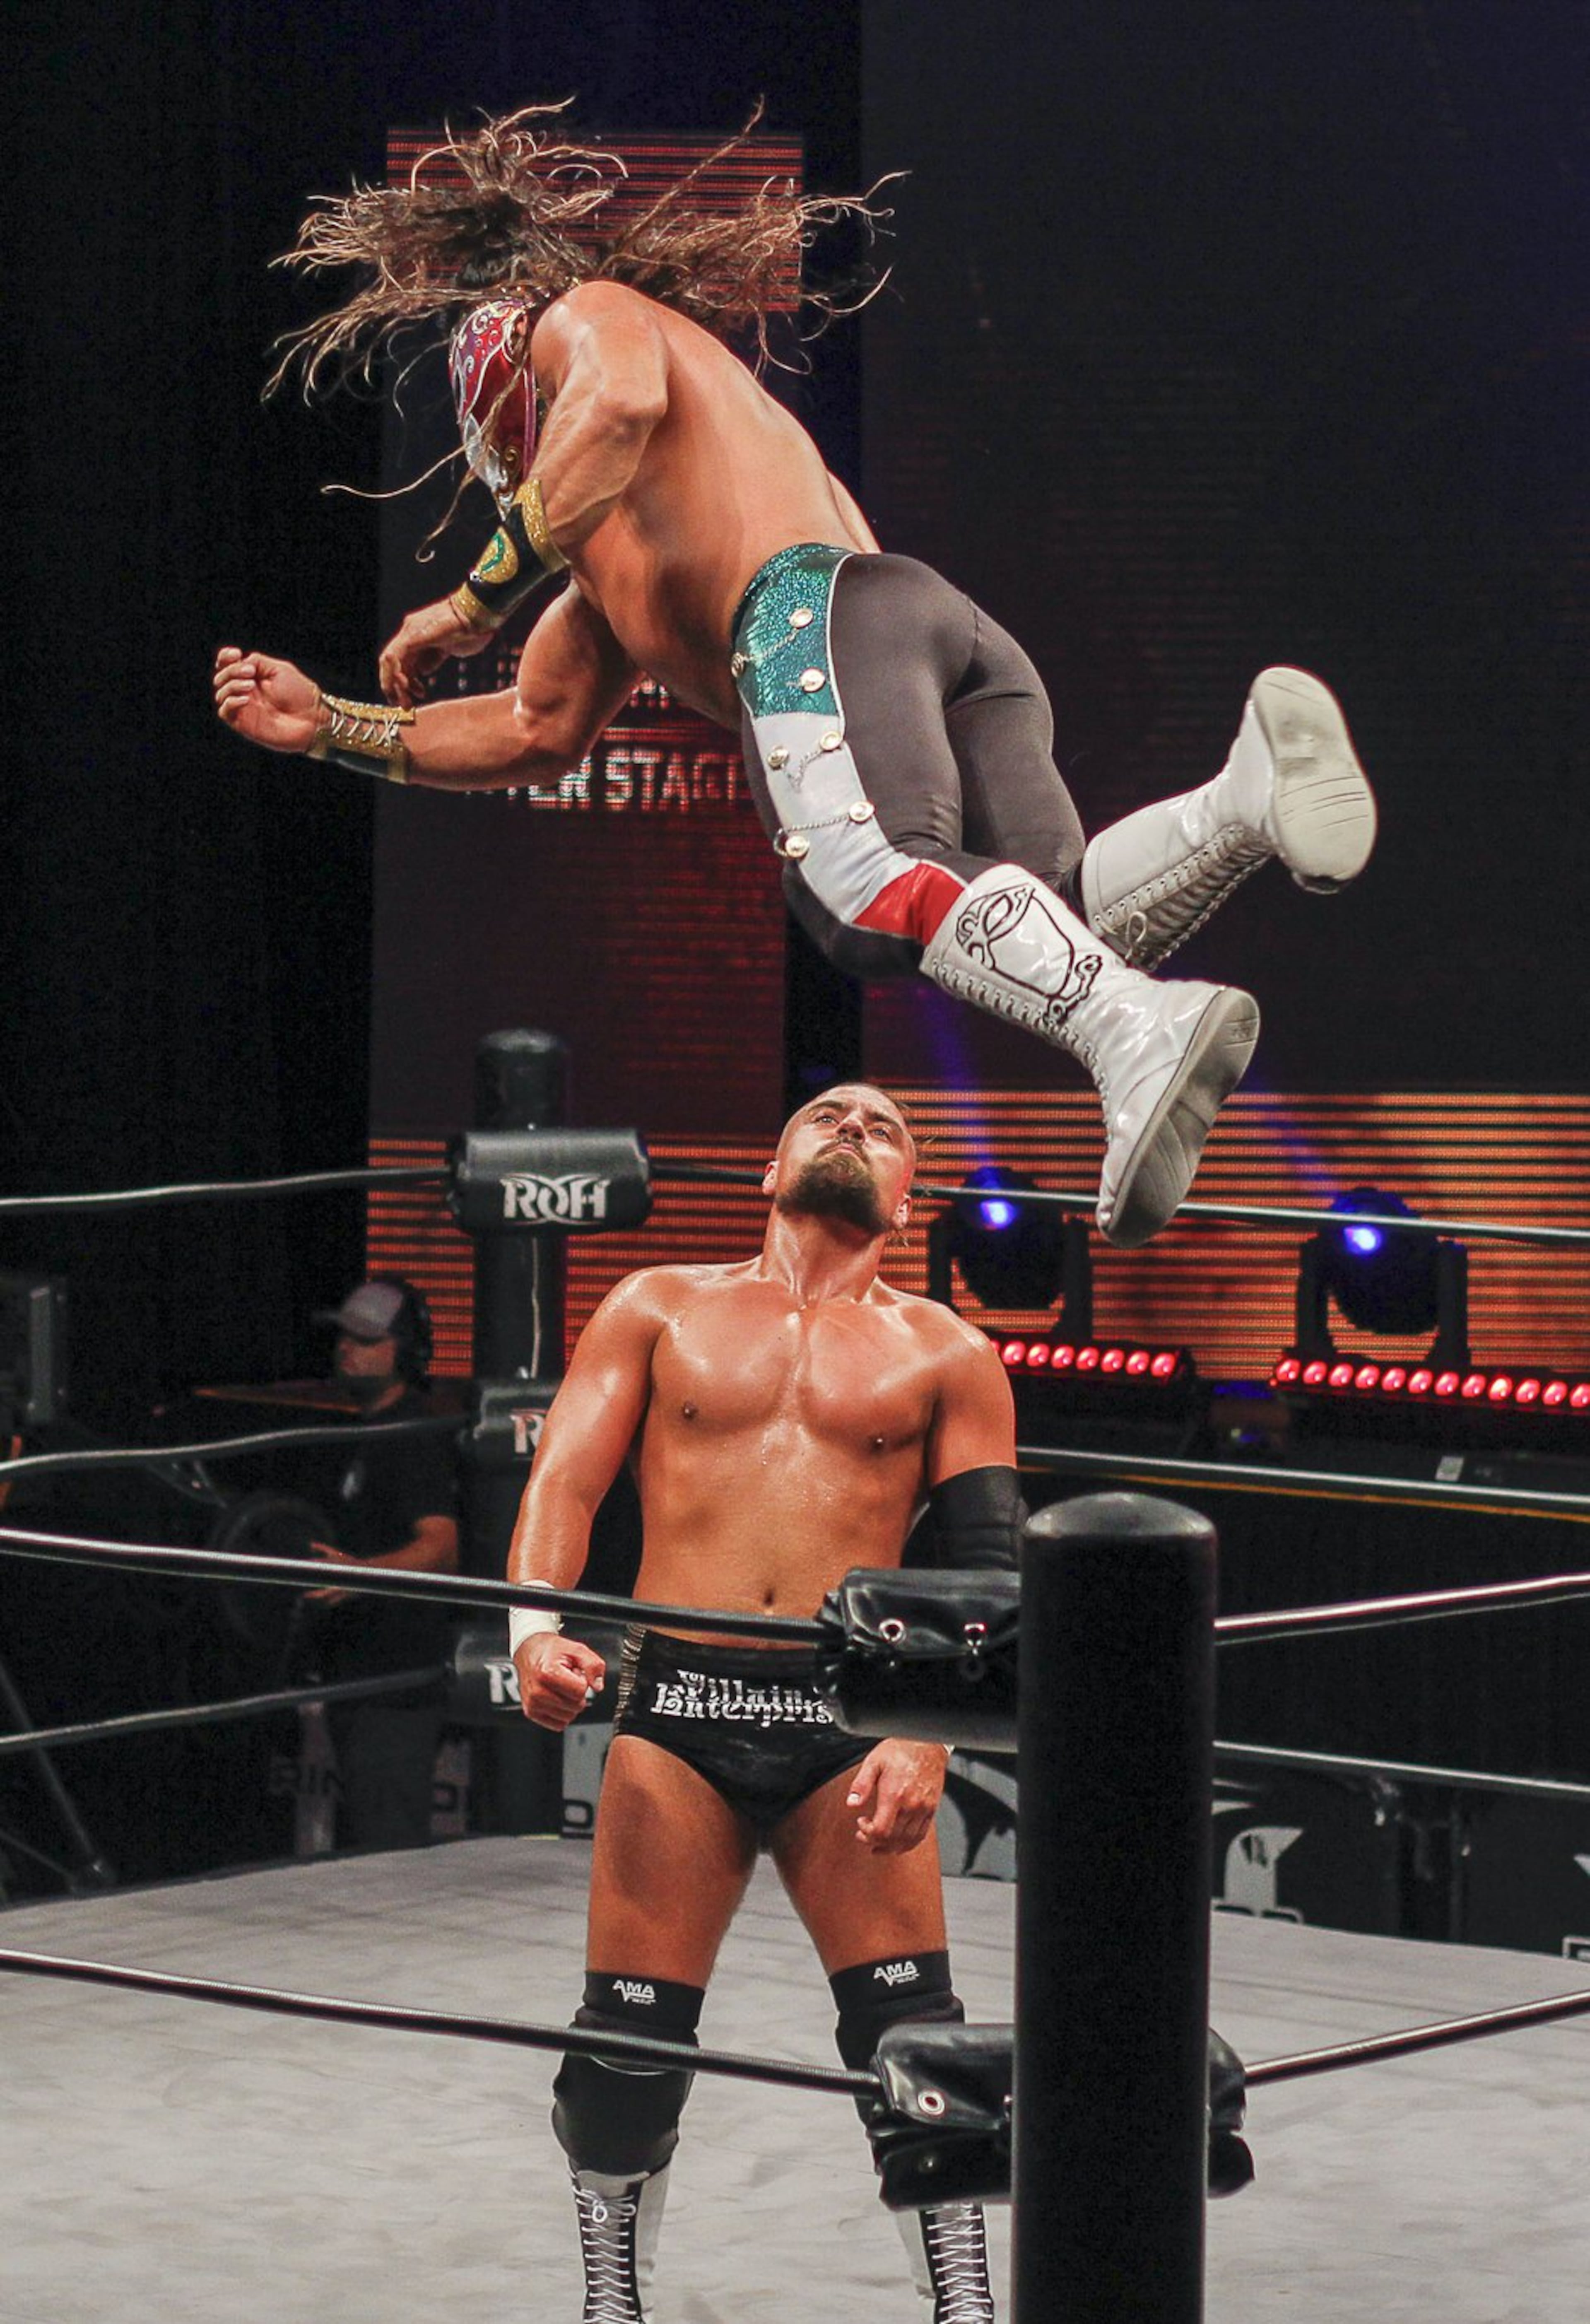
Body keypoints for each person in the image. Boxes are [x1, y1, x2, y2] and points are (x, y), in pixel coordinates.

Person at [212, 108, 1376, 1252]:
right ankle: (1240, 806)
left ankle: (1134, 1028)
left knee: (871, 896)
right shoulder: (610, 568)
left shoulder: (591, 321)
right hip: (936, 633)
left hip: (812, 612)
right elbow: (537, 729)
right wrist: (333, 728)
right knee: (1042, 913)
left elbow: (614, 406)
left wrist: (472, 599)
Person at [506, 1082, 1017, 2323]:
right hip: (680, 1705)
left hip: (850, 1716)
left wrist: (928, 1727)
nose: (852, 1125)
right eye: (826, 1112)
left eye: (885, 1125)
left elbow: (991, 1565)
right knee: (627, 2052)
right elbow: (565, 1478)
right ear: (767, 1166)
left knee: (915, 2044)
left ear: (912, 1196)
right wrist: (532, 1626)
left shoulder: (951, 1350)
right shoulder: (658, 1305)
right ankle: (611, 2304)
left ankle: (966, 2308)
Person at [303, 1276, 460, 1853]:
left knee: (388, 1848)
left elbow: (443, 1547)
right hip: (360, 1681)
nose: (348, 1348)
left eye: (366, 1338)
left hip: (395, 1688)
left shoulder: (411, 1436)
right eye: (343, 1335)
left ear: (406, 1351)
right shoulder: (363, 1431)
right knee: (366, 1842)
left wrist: (360, 1575)